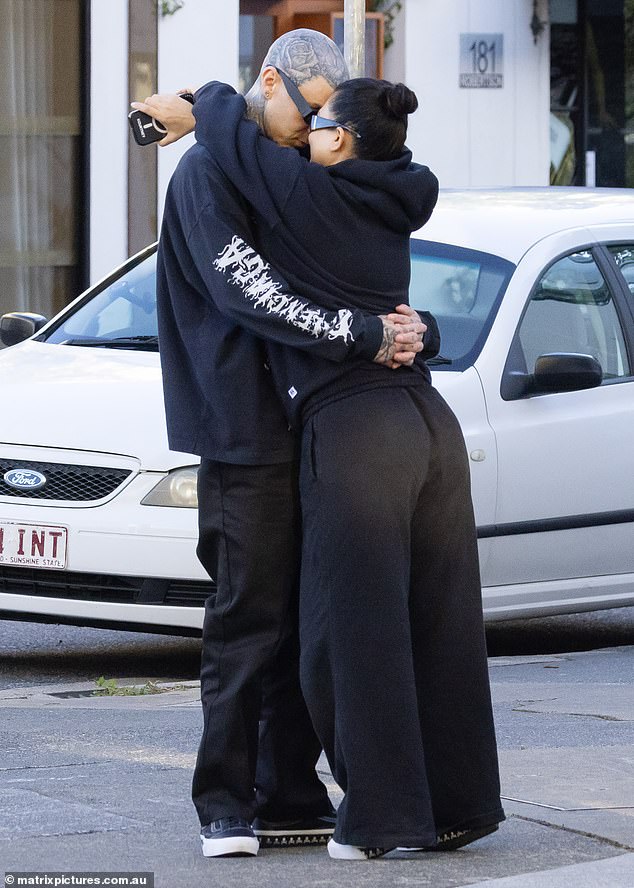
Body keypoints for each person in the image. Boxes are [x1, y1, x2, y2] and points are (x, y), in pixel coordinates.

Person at [150, 73, 505, 859]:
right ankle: (230, 807)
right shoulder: (226, 171)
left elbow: (334, 275)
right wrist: (377, 332)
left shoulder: (300, 179)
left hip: (337, 429)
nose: (310, 126)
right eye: (304, 107)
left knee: (337, 630)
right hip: (254, 431)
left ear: (341, 137)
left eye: (322, 117)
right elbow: (251, 291)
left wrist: (206, 103)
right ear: (269, 83)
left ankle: (306, 798)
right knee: (257, 622)